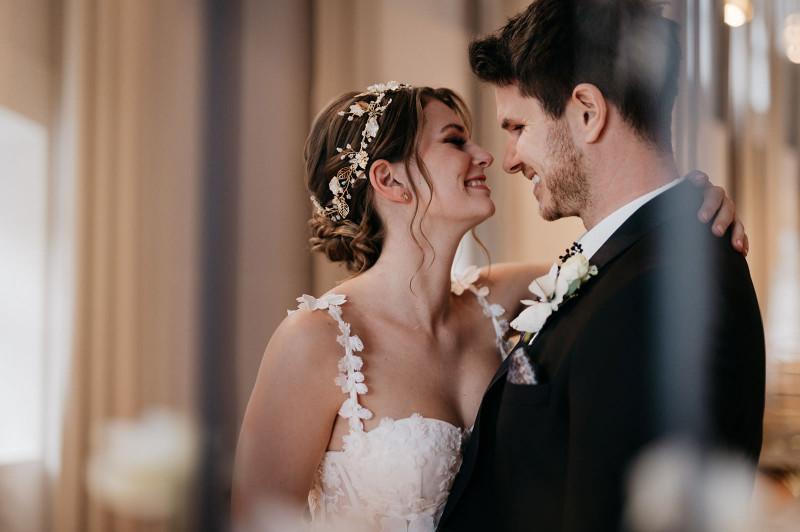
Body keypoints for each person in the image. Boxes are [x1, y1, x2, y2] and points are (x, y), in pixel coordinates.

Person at [231, 81, 743, 531]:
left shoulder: (504, 299)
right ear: (389, 181)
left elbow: (625, 259)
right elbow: (256, 521)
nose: (487, 155)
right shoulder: (316, 340)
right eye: (455, 140)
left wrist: (690, 202)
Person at [437, 1, 765, 531]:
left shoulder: (653, 293)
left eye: (518, 125)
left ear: (588, 112)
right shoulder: (635, 261)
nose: (510, 157)